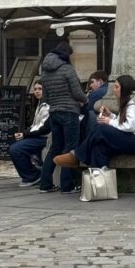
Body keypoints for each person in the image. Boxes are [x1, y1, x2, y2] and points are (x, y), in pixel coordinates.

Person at [54, 75, 135, 169]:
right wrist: (110, 115)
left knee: (101, 129)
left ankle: (77, 156)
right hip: (134, 139)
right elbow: (126, 122)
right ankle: (97, 180)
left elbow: (131, 126)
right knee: (100, 147)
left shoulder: (134, 102)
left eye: (116, 87)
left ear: (124, 88)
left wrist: (109, 121)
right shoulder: (132, 100)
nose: (114, 90)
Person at [39, 41, 87, 193]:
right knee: (70, 148)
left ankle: (45, 184)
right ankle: (67, 185)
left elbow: (45, 97)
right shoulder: (67, 69)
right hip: (69, 112)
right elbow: (77, 92)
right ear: (66, 54)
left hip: (54, 113)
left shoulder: (45, 71)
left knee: (55, 147)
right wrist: (86, 100)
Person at [9, 80, 51, 188]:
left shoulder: (47, 105)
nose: (37, 91)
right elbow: (36, 125)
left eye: (40, 89)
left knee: (16, 149)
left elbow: (45, 128)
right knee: (15, 144)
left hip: (45, 137)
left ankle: (32, 176)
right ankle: (33, 172)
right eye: (35, 89)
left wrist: (25, 134)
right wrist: (25, 133)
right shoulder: (40, 103)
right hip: (39, 136)